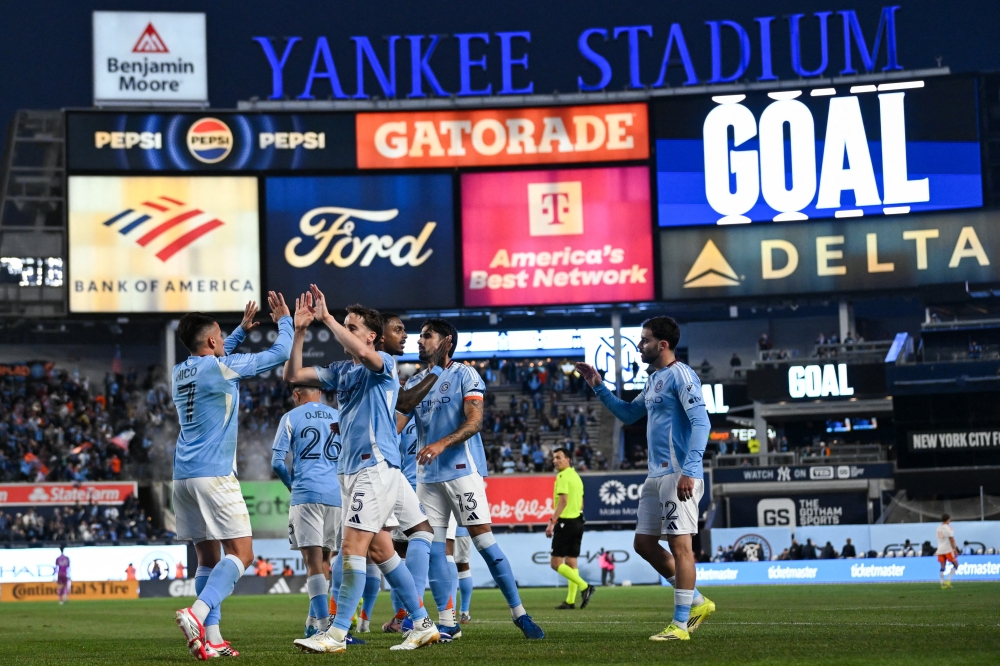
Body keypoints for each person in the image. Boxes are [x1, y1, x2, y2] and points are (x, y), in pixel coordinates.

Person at [285, 288, 440, 653]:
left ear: (371, 335)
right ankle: (422, 624)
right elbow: (294, 375)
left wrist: (327, 319)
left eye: (352, 327)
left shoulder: (383, 362)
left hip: (375, 466)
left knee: (351, 547)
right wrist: (300, 331)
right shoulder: (342, 371)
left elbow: (365, 354)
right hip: (352, 470)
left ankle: (336, 634)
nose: (345, 331)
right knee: (382, 551)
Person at [402, 318, 544, 640]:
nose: (419, 341)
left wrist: (441, 443)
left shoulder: (465, 374)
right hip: (426, 477)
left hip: (461, 471)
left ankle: (519, 614)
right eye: (419, 336)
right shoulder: (416, 382)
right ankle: (448, 622)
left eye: (427, 336)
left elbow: (475, 421)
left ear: (446, 341)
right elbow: (395, 423)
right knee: (436, 550)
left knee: (484, 543)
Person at [576, 316, 714, 642]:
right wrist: (598, 385)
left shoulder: (681, 375)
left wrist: (690, 470)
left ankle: (679, 626)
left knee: (681, 546)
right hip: (656, 475)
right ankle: (697, 601)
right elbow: (627, 414)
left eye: (645, 340)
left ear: (662, 345)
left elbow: (702, 423)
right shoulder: (654, 380)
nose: (639, 345)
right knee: (644, 544)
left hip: (678, 472)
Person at [172, 295, 292, 661]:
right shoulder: (220, 368)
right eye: (221, 336)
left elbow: (216, 356)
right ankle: (196, 613)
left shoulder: (180, 371)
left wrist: (239, 331)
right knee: (242, 554)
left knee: (207, 561)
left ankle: (213, 639)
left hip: (183, 477)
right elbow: (280, 353)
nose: (225, 341)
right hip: (214, 474)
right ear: (211, 341)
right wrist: (285, 321)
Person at [375, 312, 446, 636]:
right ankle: (430, 617)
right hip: (417, 479)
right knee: (425, 546)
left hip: (411, 480)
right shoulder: (387, 371)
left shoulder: (400, 401)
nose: (408, 337)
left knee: (377, 547)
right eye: (399, 330)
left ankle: (417, 616)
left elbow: (394, 424)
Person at [271, 380, 343, 639]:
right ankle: (314, 620)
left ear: (296, 394)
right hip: (336, 495)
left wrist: (292, 485)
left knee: (312, 562)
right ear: (320, 393)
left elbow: (277, 462)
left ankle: (323, 628)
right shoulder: (339, 416)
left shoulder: (291, 417)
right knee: (325, 560)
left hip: (306, 493)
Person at [547, 447, 592, 610]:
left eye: (559, 457)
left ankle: (585, 586)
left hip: (565, 522)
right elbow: (581, 504)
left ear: (568, 459)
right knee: (571, 562)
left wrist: (552, 522)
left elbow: (563, 501)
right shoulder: (576, 477)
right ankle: (570, 601)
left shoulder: (562, 476)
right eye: (554, 458)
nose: (555, 461)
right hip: (578, 521)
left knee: (555, 563)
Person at [937, 513, 959, 589]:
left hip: (940, 550)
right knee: (956, 564)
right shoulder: (949, 528)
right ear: (948, 519)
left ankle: (942, 584)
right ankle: (948, 580)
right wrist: (954, 549)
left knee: (942, 567)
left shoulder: (938, 528)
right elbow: (952, 539)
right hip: (948, 549)